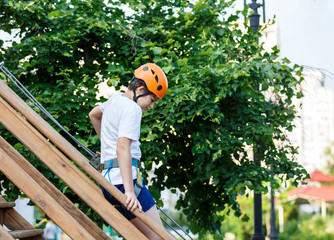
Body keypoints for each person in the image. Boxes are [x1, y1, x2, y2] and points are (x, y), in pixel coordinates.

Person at [89, 63, 168, 239]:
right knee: (160, 237)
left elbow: (93, 115)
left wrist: (107, 147)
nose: (151, 106)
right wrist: (129, 190)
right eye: (152, 100)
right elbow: (123, 147)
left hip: (108, 184)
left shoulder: (114, 100)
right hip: (125, 184)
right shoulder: (133, 108)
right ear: (140, 90)